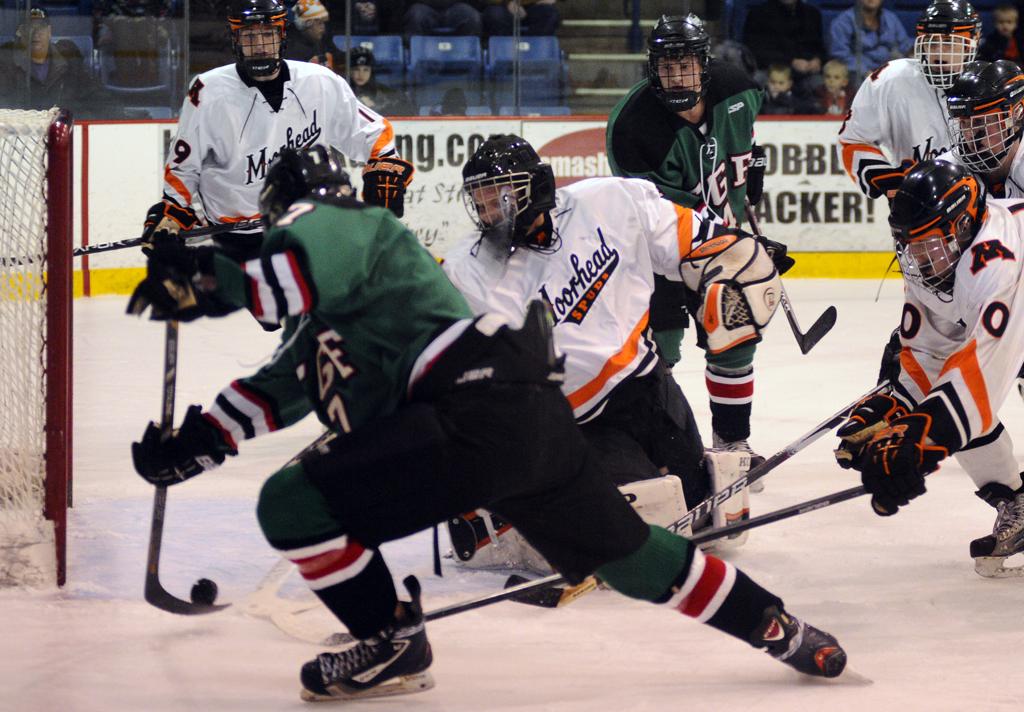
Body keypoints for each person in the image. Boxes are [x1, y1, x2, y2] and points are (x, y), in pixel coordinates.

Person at [126, 144, 848, 700]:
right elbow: (273, 388)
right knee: (627, 556)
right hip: (528, 424)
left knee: (290, 504)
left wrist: (212, 275)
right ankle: (775, 626)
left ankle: (389, 639)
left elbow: (287, 273)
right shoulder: (334, 323)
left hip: (471, 412)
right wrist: (196, 444)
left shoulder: (352, 225)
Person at [444, 135, 789, 564]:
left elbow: (699, 241)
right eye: (480, 202)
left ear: (537, 186)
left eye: (501, 197)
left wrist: (734, 263)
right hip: (576, 421)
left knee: (701, 513)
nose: (490, 212)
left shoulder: (609, 202)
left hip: (648, 386)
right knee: (642, 525)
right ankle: (503, 509)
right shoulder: (467, 272)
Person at [607, 15, 786, 468]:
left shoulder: (739, 88)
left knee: (735, 334)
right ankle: (651, 448)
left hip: (719, 245)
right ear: (653, 69)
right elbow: (656, 215)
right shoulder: (633, 126)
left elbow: (747, 141)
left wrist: (752, 172)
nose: (676, 76)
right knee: (656, 352)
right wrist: (744, 250)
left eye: (684, 65)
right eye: (667, 67)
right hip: (656, 253)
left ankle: (731, 444)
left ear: (703, 64)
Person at [834, 160, 1024, 578]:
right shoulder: (936, 260)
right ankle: (1017, 502)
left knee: (960, 404)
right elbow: (932, 360)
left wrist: (917, 443)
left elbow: (981, 378)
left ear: (961, 226)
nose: (919, 258)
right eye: (910, 245)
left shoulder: (997, 260)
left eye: (928, 244)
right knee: (952, 406)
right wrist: (891, 408)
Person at [144, 0, 414, 265]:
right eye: (250, 36)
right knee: (277, 308)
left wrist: (385, 165)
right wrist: (174, 209)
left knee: (334, 303)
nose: (260, 45)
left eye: (267, 34)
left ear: (282, 35)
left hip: (310, 220)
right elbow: (184, 165)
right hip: (241, 235)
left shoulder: (320, 81)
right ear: (236, 40)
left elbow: (373, 132)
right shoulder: (208, 91)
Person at [838, 0, 982, 202]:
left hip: (986, 211)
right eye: (932, 42)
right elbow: (853, 140)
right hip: (918, 212)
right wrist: (882, 176)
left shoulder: (992, 86)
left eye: (950, 43)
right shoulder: (891, 81)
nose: (938, 55)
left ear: (974, 41)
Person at [0, 7, 111, 118]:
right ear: (20, 32)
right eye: (30, 28)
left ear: (49, 32)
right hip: (22, 132)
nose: (36, 33)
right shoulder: (6, 63)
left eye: (41, 28)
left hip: (64, 129)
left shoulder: (69, 58)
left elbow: (98, 98)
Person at [946, 59, 1024, 197]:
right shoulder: (947, 174)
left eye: (979, 122)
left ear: (1017, 114)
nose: (970, 134)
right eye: (964, 123)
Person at [742, 0, 826, 96]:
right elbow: (754, 51)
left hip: (805, 74)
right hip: (770, 71)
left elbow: (819, 48)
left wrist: (817, 60)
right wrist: (791, 62)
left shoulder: (812, 14)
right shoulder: (758, 14)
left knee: (824, 83)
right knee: (756, 81)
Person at [828, 0, 913, 85]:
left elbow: (905, 45)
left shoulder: (891, 18)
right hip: (860, 74)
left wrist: (913, 51)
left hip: (890, 72)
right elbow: (842, 54)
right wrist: (866, 72)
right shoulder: (842, 22)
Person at [345, 46, 415, 115]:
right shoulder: (344, 91)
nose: (361, 74)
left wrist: (374, 107)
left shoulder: (384, 92)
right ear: (350, 71)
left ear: (371, 71)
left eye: (366, 70)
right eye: (356, 69)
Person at [283, 0, 341, 71]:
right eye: (319, 23)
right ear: (306, 24)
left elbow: (338, 58)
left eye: (323, 23)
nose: (323, 27)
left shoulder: (322, 39)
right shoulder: (291, 48)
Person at [403, 0, 483, 36]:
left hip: (459, 6)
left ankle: (469, 59)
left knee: (471, 17)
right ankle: (414, 60)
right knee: (416, 15)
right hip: (423, 5)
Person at [482, 0, 559, 36]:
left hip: (534, 6)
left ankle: (533, 55)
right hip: (500, 7)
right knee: (495, 15)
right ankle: (505, 57)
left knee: (549, 14)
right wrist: (507, 3)